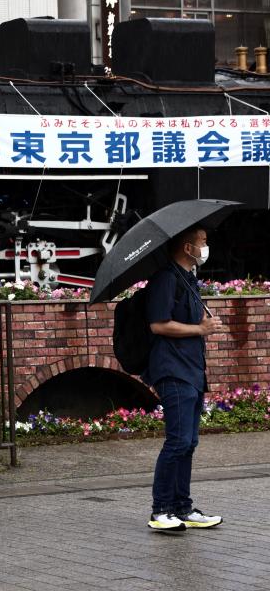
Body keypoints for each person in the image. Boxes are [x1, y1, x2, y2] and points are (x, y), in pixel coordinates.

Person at [144, 224, 225, 532]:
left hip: (191, 370)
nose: (206, 247)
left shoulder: (188, 279)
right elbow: (158, 325)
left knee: (189, 442)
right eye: (203, 241)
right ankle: (160, 510)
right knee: (177, 441)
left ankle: (183, 507)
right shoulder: (166, 279)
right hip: (172, 370)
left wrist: (202, 324)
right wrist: (200, 329)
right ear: (187, 248)